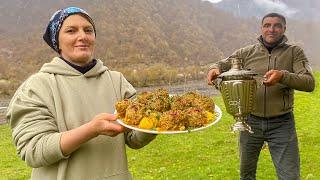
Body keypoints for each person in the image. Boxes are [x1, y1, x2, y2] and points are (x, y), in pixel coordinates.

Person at [6, 7, 156, 180]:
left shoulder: (117, 81)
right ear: (57, 42)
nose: (82, 36)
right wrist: (92, 130)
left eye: (88, 30)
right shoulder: (36, 87)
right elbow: (34, 150)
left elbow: (134, 137)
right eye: (71, 31)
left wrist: (156, 120)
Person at [207, 13, 315, 179]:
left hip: (282, 124)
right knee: (246, 175)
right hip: (249, 121)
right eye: (267, 25)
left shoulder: (294, 52)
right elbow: (221, 64)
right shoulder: (246, 52)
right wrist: (214, 69)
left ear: (284, 29)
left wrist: (282, 76)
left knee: (290, 176)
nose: (271, 29)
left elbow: (309, 83)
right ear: (261, 28)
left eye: (277, 25)